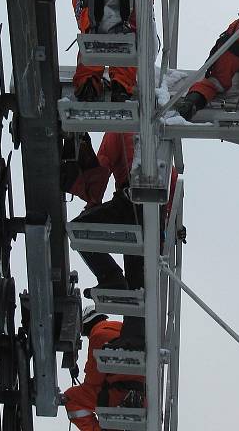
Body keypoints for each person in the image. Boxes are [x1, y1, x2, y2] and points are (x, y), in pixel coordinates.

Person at [62, 132, 177, 352]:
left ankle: (111, 277)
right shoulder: (160, 137)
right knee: (137, 282)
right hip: (155, 211)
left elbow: (99, 176)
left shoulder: (117, 131)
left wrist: (79, 188)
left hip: (131, 201)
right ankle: (134, 337)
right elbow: (170, 180)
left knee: (79, 229)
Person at [63, 306, 145, 431]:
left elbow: (93, 378)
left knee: (72, 397)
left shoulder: (98, 335)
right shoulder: (122, 329)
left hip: (118, 395)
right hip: (144, 396)